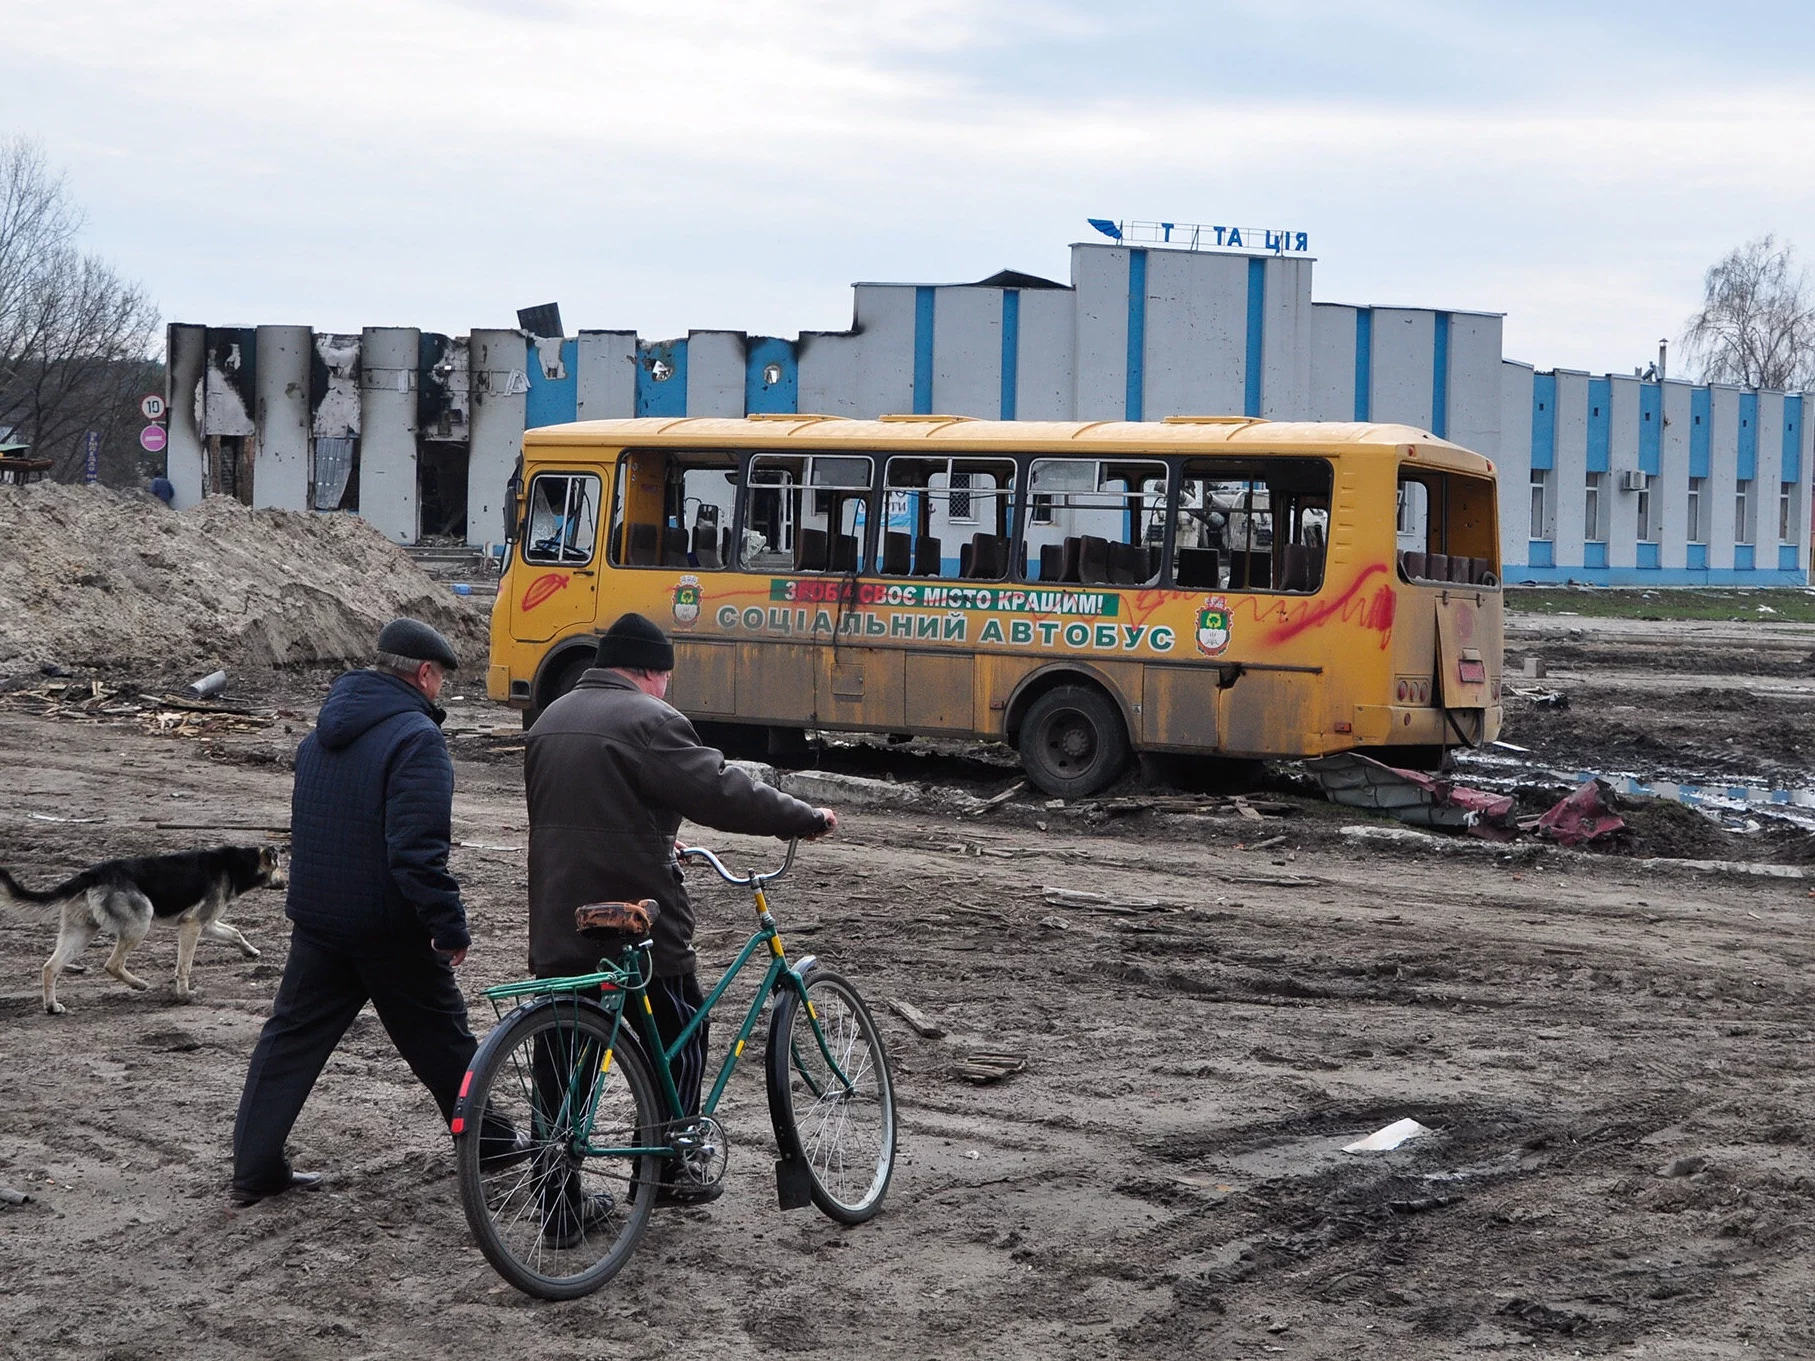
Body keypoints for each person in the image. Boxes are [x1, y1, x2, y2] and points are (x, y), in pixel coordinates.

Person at [525, 612, 835, 1205]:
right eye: (666, 677)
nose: (668, 690)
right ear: (648, 671)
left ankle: (556, 1205)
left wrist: (661, 837)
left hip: (560, 917)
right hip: (636, 923)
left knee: (563, 1063)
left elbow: (584, 811)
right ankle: (672, 1169)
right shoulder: (649, 719)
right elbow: (719, 788)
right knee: (681, 1031)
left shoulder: (550, 719)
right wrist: (800, 817)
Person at [230, 618, 509, 1204]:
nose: (441, 693)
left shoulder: (321, 734)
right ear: (425, 673)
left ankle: (254, 1169)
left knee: (289, 1039)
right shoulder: (416, 739)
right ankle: (497, 1146)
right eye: (442, 681)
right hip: (387, 926)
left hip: (320, 919)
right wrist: (446, 924)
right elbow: (415, 851)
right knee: (442, 1041)